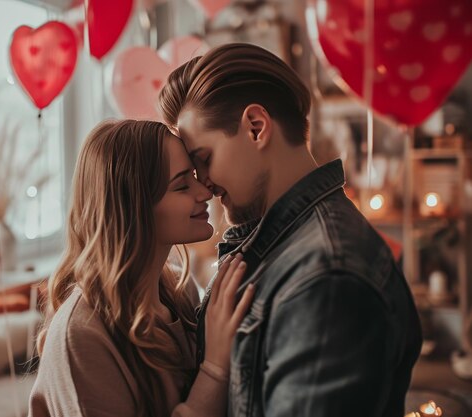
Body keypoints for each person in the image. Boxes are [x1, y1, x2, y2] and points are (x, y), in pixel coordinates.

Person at [159, 43, 423, 417]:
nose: (204, 186)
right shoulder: (282, 246)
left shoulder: (327, 277)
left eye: (204, 160)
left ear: (256, 128)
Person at [28, 119, 255, 417]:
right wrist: (215, 367)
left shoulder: (180, 291)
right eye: (182, 185)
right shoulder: (81, 336)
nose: (205, 192)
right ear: (134, 207)